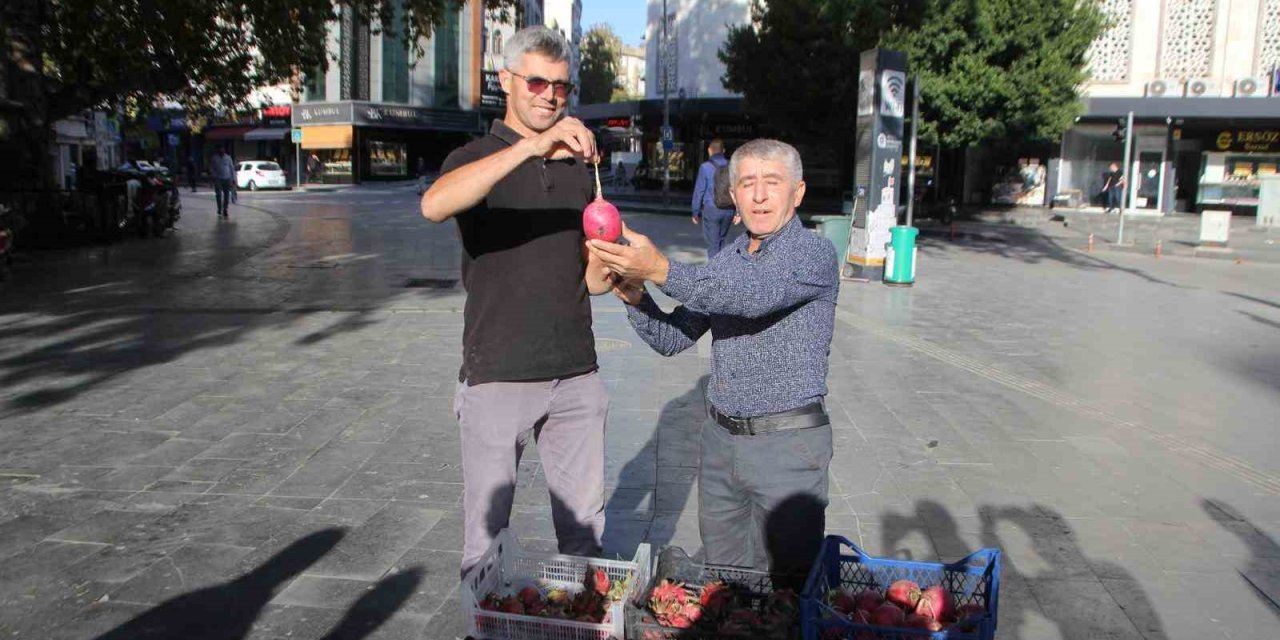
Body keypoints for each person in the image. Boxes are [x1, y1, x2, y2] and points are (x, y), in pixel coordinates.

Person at [589, 138, 839, 579]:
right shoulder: (729, 258)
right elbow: (673, 337)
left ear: (797, 192)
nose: (759, 195)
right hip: (721, 444)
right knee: (724, 581)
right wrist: (635, 297)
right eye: (747, 183)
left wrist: (661, 269)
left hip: (787, 448)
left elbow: (752, 296)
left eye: (772, 182)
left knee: (787, 585)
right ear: (734, 195)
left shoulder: (813, 254)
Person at [419, 26, 615, 576]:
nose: (550, 96)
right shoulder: (474, 155)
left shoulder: (580, 168)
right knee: (485, 544)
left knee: (584, 538)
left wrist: (614, 257)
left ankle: (583, 626)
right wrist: (530, 148)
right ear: (506, 80)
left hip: (576, 372)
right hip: (498, 370)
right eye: (537, 81)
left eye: (561, 87)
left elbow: (592, 281)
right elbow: (434, 206)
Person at [691, 139, 740, 258]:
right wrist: (738, 212)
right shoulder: (732, 167)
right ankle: (721, 271)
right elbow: (738, 189)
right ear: (723, 151)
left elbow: (699, 191)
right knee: (722, 241)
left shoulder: (705, 167)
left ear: (709, 150)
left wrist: (695, 212)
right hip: (729, 209)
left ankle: (714, 274)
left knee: (713, 244)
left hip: (712, 209)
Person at [209, 147, 235, 218]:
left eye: (223, 150)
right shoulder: (214, 158)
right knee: (218, 195)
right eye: (220, 150)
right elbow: (211, 168)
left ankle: (225, 209)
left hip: (227, 178)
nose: (221, 151)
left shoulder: (228, 158)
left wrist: (233, 179)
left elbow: (231, 168)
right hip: (218, 179)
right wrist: (214, 175)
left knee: (226, 195)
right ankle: (219, 208)